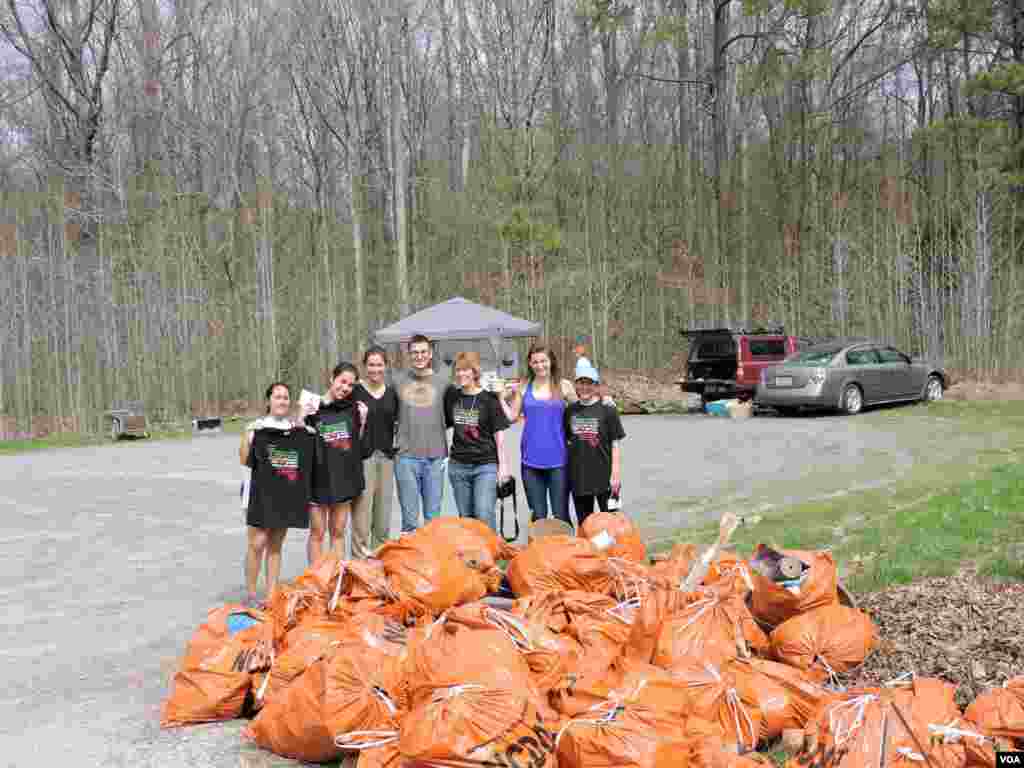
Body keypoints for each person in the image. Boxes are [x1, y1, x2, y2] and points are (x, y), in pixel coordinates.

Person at [239, 382, 321, 607]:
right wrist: (248, 437)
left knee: (276, 544)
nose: (282, 401)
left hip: (284, 495)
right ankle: (251, 594)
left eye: (286, 397)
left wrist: (308, 433)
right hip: (258, 493)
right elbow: (244, 460)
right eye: (278, 397)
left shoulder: (295, 429)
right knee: (257, 542)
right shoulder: (256, 427)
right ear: (269, 401)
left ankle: (271, 592)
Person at [500, 343, 576, 525]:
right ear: (530, 364)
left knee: (561, 516)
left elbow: (583, 410)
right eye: (535, 362)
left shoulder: (564, 386)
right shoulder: (523, 387)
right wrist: (500, 398)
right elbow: (512, 417)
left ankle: (567, 551)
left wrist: (603, 401)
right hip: (530, 462)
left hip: (559, 461)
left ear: (551, 362)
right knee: (538, 518)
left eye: (544, 361)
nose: (540, 365)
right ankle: (540, 552)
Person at [392, 334, 456, 533]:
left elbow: (453, 416)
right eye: (414, 353)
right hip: (405, 457)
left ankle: (431, 562)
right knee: (410, 521)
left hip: (435, 457)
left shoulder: (444, 382)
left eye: (423, 352)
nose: (419, 356)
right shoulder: (397, 382)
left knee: (433, 520)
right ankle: (410, 563)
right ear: (409, 355)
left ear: (430, 354)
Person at [304, 362, 368, 561]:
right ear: (332, 378)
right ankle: (316, 581)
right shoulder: (312, 404)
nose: (345, 388)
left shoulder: (353, 408)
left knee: (338, 532)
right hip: (318, 478)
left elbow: (355, 443)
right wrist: (301, 419)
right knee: (317, 532)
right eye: (342, 381)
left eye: (350, 385)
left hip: (342, 478)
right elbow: (299, 436)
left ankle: (335, 580)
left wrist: (363, 421)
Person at [445, 351, 511, 531]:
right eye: (458, 370)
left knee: (483, 512)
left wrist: (503, 468)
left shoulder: (488, 399)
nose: (461, 374)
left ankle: (491, 554)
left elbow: (500, 435)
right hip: (458, 465)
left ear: (475, 372)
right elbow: (441, 422)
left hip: (485, 465)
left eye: (466, 370)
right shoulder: (452, 397)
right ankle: (473, 556)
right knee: (466, 518)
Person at [564, 358, 626, 528]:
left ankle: (610, 554)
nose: (584, 387)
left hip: (604, 478)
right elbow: (568, 440)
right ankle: (591, 553)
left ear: (596, 385)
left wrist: (615, 475)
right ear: (575, 385)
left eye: (589, 383)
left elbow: (615, 444)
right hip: (579, 479)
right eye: (580, 383)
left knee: (611, 526)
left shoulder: (608, 410)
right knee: (586, 526)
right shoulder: (570, 411)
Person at [350, 345, 399, 558]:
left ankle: (379, 562)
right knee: (362, 517)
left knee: (383, 517)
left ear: (386, 366)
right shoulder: (355, 391)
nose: (375, 369)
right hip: (363, 459)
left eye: (379, 364)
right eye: (371, 364)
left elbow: (399, 424)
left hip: (386, 458)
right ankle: (359, 565)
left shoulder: (392, 393)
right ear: (364, 366)